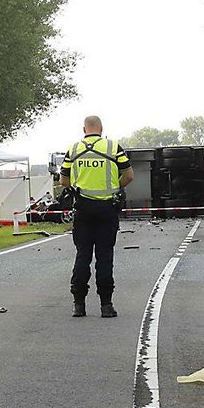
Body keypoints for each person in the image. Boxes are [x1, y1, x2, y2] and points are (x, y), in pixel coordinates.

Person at [60, 115, 134, 318]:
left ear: (84, 129)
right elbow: (129, 176)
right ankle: (106, 305)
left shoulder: (73, 150)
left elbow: (64, 180)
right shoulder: (113, 147)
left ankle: (79, 305)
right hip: (106, 210)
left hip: (83, 210)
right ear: (101, 129)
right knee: (105, 257)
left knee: (82, 256)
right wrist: (114, 187)